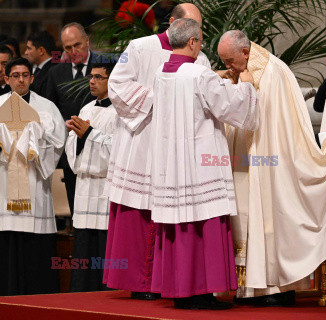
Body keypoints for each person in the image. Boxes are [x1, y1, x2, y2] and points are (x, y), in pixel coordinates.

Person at [217, 31, 326, 307]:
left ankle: (274, 286)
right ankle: (249, 288)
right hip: (245, 161)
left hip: (269, 162)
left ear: (245, 52)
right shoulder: (244, 70)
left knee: (268, 215)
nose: (228, 66)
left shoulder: (273, 72)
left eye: (229, 61)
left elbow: (274, 127)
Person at [148, 18, 258, 310]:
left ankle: (182, 291)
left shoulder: (160, 72)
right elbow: (229, 107)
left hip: (171, 165)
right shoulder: (199, 74)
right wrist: (245, 86)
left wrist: (215, 78)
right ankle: (203, 293)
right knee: (204, 224)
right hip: (200, 164)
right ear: (194, 42)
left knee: (180, 227)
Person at [103, 3, 211, 300]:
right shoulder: (139, 47)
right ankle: (140, 283)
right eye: (191, 24)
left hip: (178, 146)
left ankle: (171, 281)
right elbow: (117, 85)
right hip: (143, 140)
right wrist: (161, 98)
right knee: (139, 210)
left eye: (200, 28)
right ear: (173, 21)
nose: (196, 34)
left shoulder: (200, 57)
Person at [0, 58, 66, 295]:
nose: (20, 79)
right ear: (6, 79)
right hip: (5, 186)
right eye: (15, 75)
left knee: (35, 247)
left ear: (32, 78)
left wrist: (37, 138)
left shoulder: (47, 108)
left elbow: (59, 143)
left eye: (25, 75)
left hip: (35, 183)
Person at [65, 61, 117, 292]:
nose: (92, 82)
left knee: (104, 249)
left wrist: (89, 134)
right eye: (91, 77)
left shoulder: (120, 112)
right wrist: (77, 138)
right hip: (85, 189)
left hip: (106, 190)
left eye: (98, 77)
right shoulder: (85, 109)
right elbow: (70, 150)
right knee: (84, 248)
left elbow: (119, 152)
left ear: (112, 80)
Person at [45, 22, 97, 219]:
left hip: (100, 146)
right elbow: (49, 111)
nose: (73, 51)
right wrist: (62, 124)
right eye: (68, 48)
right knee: (76, 210)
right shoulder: (55, 73)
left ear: (87, 41)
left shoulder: (106, 66)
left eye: (77, 45)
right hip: (71, 150)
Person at [25, 31, 56, 97]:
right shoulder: (37, 69)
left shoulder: (53, 71)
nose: (26, 52)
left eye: (29, 48)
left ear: (41, 51)